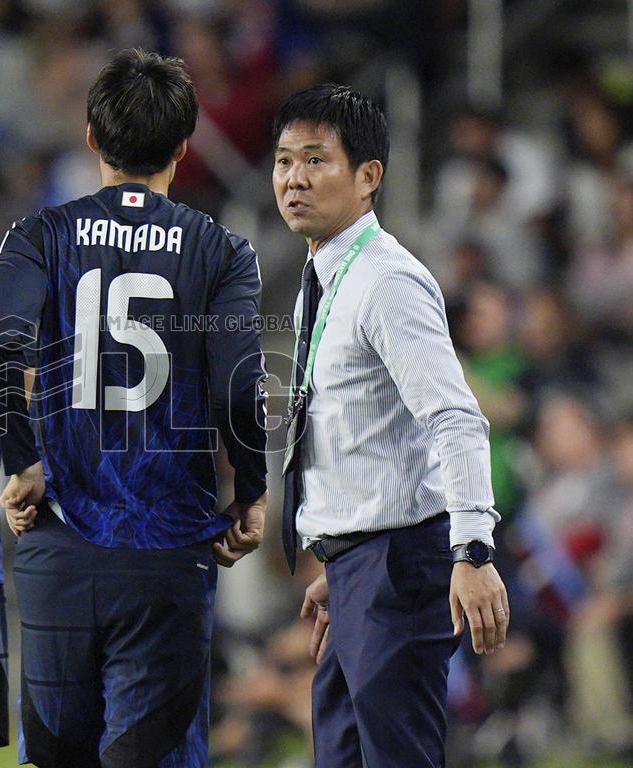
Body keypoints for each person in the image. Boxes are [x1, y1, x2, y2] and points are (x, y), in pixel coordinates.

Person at [0, 47, 269, 768]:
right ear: (182, 146)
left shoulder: (39, 235)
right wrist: (253, 495)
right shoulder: (223, 251)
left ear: (92, 140)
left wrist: (24, 463)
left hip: (60, 546)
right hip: (169, 554)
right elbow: (239, 389)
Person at [273, 83, 510, 768]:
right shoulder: (324, 272)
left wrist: (473, 550)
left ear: (369, 176)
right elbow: (363, 426)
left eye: (316, 160)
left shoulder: (387, 281)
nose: (294, 178)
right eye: (285, 160)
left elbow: (457, 419)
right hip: (361, 568)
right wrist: (341, 556)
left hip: (398, 566)